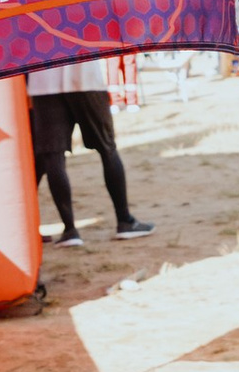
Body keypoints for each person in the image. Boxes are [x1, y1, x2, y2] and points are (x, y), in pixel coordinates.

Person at [27, 55, 154, 247]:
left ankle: (70, 230)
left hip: (43, 79)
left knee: (53, 155)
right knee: (107, 148)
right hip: (84, 74)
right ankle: (124, 220)